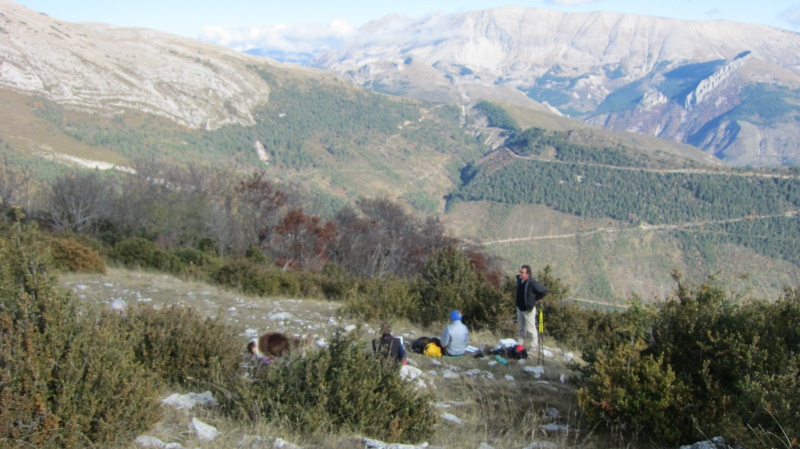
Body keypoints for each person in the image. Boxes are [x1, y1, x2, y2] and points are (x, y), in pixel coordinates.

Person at [515, 264, 549, 349]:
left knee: (530, 328)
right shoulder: (519, 280)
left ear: (528, 274)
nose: (520, 274)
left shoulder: (532, 283)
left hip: (528, 310)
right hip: (520, 308)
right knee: (521, 327)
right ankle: (520, 345)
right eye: (520, 272)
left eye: (522, 272)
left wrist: (535, 299)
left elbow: (544, 290)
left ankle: (533, 345)